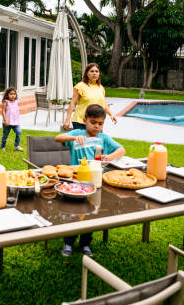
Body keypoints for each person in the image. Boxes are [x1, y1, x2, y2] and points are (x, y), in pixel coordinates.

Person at [55, 104, 126, 257]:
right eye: (93, 122)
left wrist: (110, 157)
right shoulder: (78, 134)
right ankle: (68, 242)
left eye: (100, 123)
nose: (96, 126)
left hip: (96, 183)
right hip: (76, 182)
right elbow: (57, 138)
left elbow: (122, 149)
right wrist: (74, 137)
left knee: (92, 212)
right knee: (74, 213)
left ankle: (85, 243)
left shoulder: (103, 138)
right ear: (84, 120)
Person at [63, 63, 117, 131]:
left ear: (99, 74)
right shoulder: (80, 86)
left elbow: (103, 104)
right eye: (92, 71)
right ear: (86, 73)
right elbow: (73, 103)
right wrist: (67, 120)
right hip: (81, 122)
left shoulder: (101, 88)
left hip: (96, 123)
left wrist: (111, 114)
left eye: (96, 71)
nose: (94, 73)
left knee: (97, 141)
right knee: (84, 141)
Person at [1, 87, 23, 152]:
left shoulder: (16, 101)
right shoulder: (6, 102)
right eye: (11, 94)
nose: (13, 95)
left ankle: (16, 146)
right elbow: (3, 111)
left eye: (14, 94)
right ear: (7, 95)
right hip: (7, 122)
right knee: (5, 135)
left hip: (15, 122)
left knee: (19, 132)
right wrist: (5, 120)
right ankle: (3, 146)